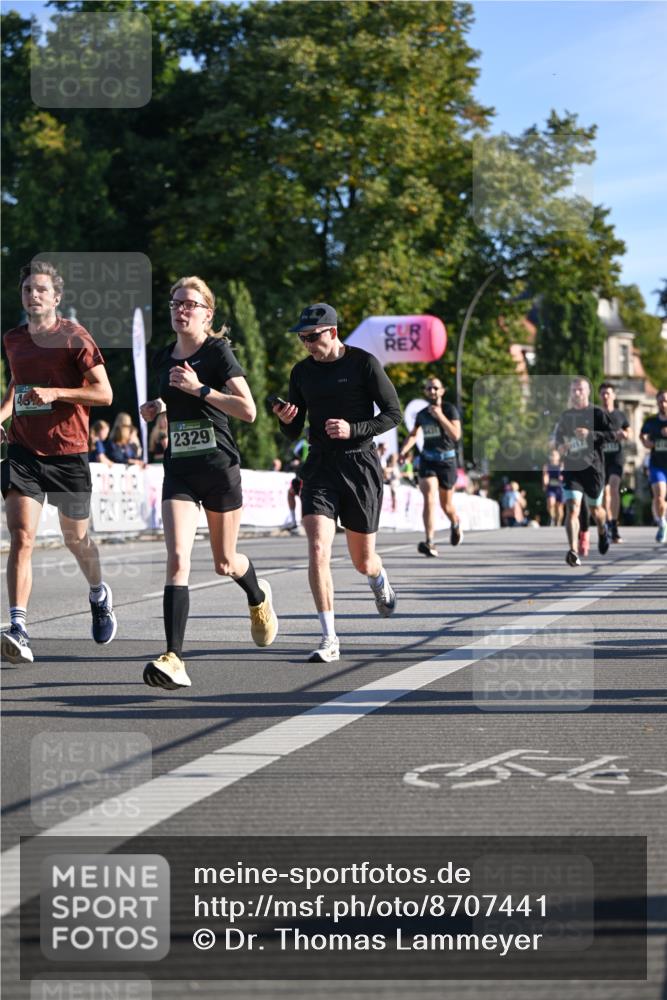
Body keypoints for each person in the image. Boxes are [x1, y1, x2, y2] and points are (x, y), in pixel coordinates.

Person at [139, 276, 278, 690]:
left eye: (190, 304)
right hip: (180, 468)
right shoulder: (163, 356)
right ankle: (174, 657)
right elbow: (175, 396)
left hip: (218, 467)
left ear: (207, 314)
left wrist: (201, 389)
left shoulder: (217, 352)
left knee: (224, 562)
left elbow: (248, 410)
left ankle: (257, 595)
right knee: (178, 558)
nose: (181, 309)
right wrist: (158, 406)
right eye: (175, 302)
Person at [0, 260, 117, 663]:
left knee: (75, 539)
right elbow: (18, 384)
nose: (33, 295)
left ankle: (99, 594)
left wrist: (57, 394)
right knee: (22, 537)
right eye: (28, 288)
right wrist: (1, 417)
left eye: (41, 289)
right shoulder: (13, 339)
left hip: (68, 453)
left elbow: (104, 394)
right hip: (24, 450)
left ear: (57, 297)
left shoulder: (74, 337)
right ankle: (18, 626)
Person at [272, 302, 401, 663]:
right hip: (320, 466)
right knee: (317, 547)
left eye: (312, 337)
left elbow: (394, 414)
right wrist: (285, 418)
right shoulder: (301, 373)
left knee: (363, 560)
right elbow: (294, 429)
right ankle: (329, 638)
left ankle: (378, 578)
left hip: (360, 464)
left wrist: (353, 429)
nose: (307, 344)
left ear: (332, 331)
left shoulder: (363, 363)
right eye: (302, 338)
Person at [553, 376, 621, 566]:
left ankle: (602, 529)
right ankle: (573, 550)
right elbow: (557, 439)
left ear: (588, 392)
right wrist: (560, 447)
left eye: (580, 390)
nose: (576, 393)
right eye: (574, 390)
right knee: (572, 508)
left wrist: (590, 435)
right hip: (572, 468)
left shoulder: (597, 413)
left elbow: (613, 435)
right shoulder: (566, 416)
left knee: (595, 510)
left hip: (594, 469)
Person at [397, 376, 462, 556]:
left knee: (446, 505)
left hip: (447, 461)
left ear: (441, 391)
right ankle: (430, 541)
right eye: (428, 389)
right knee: (429, 498)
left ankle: (455, 523)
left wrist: (440, 416)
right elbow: (413, 435)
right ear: (425, 392)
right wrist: (403, 451)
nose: (432, 391)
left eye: (435, 388)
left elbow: (456, 435)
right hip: (428, 459)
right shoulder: (422, 414)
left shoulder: (450, 410)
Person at [599, 382, 630, 542]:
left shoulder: (620, 415)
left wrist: (624, 434)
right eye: (603, 393)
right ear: (599, 396)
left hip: (616, 457)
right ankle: (606, 522)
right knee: (604, 492)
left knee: (614, 487)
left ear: (613, 396)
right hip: (601, 458)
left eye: (608, 393)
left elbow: (628, 431)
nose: (606, 396)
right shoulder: (595, 415)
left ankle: (614, 524)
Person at [640, 388, 667, 543]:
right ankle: (662, 522)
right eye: (661, 400)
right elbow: (642, 435)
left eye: (666, 400)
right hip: (657, 465)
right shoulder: (651, 422)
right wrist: (646, 442)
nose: (663, 403)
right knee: (659, 495)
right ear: (656, 402)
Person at [542, 449, 564, 526]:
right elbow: (545, 476)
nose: (553, 457)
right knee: (551, 503)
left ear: (558, 457)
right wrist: (544, 484)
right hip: (551, 488)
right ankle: (552, 517)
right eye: (551, 455)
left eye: (555, 455)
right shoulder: (546, 466)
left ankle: (558, 522)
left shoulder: (561, 465)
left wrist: (563, 477)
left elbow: (564, 476)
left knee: (559, 507)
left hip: (560, 488)